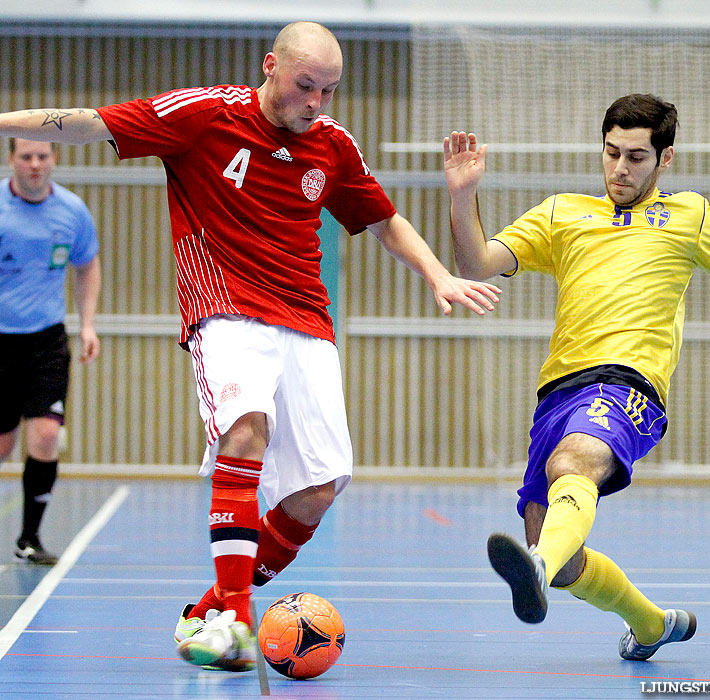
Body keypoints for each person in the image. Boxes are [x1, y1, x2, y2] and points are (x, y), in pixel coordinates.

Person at [0, 21, 500, 671]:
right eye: (305, 86)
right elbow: (90, 122)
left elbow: (381, 218)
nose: (317, 102)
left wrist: (438, 272)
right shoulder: (204, 115)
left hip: (308, 323)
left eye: (330, 90)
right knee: (245, 434)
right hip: (226, 310)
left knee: (320, 487)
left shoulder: (333, 146)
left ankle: (209, 606)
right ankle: (235, 621)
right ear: (271, 66)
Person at [442, 93, 710, 661]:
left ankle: (534, 564)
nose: (620, 169)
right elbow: (475, 264)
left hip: (631, 386)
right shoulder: (563, 212)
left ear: (665, 158)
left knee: (574, 463)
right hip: (559, 391)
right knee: (564, 560)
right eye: (611, 153)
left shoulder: (690, 216)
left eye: (636, 156)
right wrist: (463, 199)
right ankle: (651, 622)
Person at [0, 138, 101, 566]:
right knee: (3, 445)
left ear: (55, 158)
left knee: (44, 435)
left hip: (46, 340)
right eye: (26, 156)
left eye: (43, 156)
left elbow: (87, 265)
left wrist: (88, 324)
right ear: (11, 160)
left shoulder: (72, 212)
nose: (35, 164)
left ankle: (29, 538)